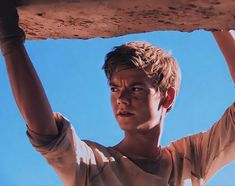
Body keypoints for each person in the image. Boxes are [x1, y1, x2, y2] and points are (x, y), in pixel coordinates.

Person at [0, 1, 235, 186]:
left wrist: (217, 22)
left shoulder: (189, 160)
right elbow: (46, 133)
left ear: (167, 97)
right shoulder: (94, 165)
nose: (121, 99)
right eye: (114, 88)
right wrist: (10, 41)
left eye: (135, 88)